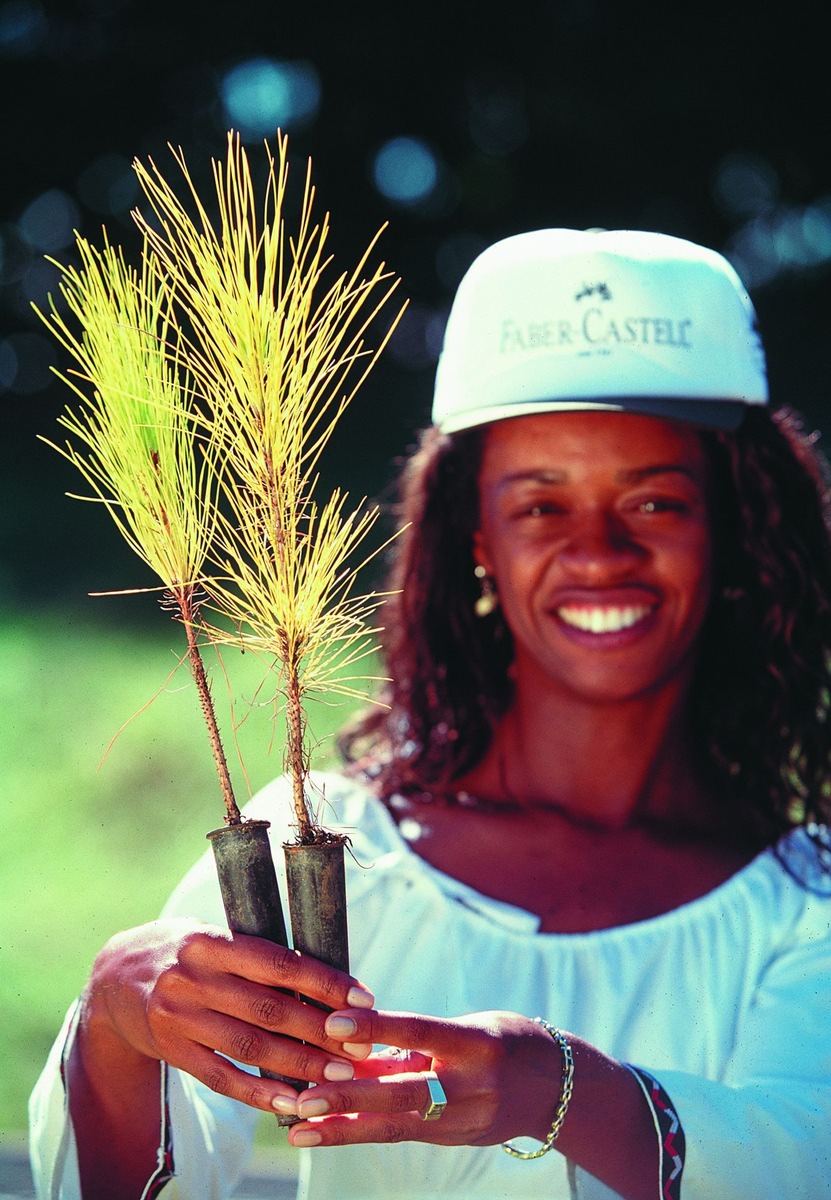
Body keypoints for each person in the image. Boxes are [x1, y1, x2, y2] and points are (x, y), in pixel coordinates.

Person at [29, 228, 831, 1200]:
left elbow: (799, 1150)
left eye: (657, 503)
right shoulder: (318, 849)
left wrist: (559, 1093)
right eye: (541, 506)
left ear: (738, 527)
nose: (600, 551)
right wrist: (120, 1012)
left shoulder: (805, 911)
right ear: (476, 537)